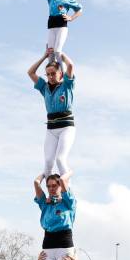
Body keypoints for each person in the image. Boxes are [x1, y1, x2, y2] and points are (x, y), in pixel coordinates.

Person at [27, 51, 77, 181]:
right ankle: (51, 191)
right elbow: (30, 72)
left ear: (60, 73)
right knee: (48, 162)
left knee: (60, 159)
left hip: (66, 128)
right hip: (51, 129)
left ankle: (66, 188)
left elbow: (70, 65)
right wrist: (44, 56)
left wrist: (60, 54)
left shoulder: (66, 85)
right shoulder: (44, 88)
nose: (50, 76)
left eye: (53, 73)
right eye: (48, 74)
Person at [30, 0, 83, 64]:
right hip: (51, 25)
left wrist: (71, 17)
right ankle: (51, 72)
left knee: (57, 51)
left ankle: (61, 72)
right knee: (50, 53)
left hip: (61, 25)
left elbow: (79, 9)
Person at [33, 173, 76, 260]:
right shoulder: (45, 203)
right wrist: (45, 173)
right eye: (48, 186)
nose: (51, 188)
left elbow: (62, 180)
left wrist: (69, 172)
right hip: (48, 244)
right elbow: (36, 182)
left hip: (64, 243)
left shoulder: (68, 202)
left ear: (60, 186)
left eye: (54, 186)